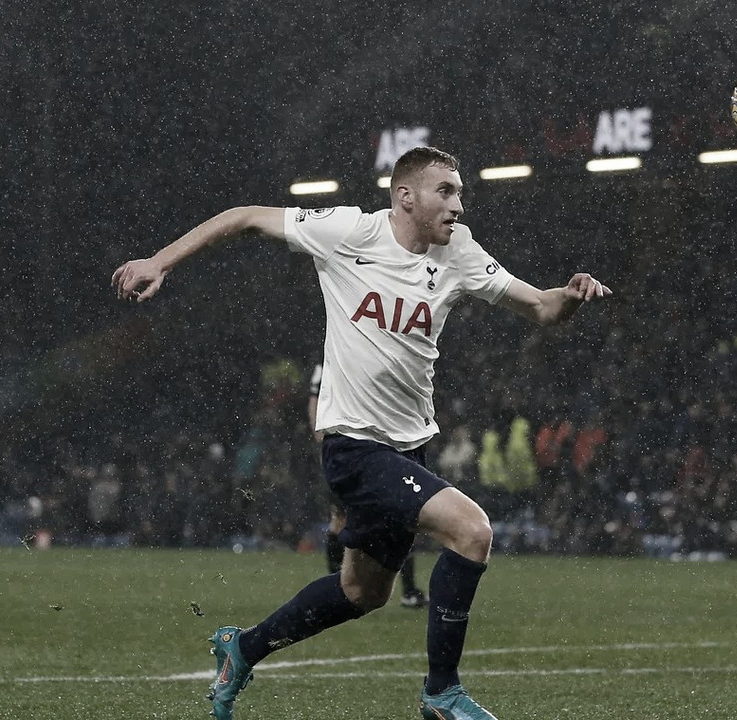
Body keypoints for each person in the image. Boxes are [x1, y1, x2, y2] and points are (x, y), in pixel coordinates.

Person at [112, 146, 612, 720]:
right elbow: (244, 216)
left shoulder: (460, 251)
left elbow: (542, 309)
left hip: (408, 445)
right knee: (472, 531)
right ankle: (442, 694)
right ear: (406, 197)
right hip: (352, 444)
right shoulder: (349, 230)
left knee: (361, 593)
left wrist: (570, 297)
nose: (459, 203)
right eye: (445, 191)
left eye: (460, 191)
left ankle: (242, 648)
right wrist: (159, 262)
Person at [309, 362, 426, 608]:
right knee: (340, 517)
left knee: (403, 515)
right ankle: (337, 585)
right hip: (348, 449)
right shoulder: (331, 360)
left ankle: (408, 590)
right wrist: (323, 434)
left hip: (378, 447)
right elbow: (314, 399)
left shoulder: (367, 353)